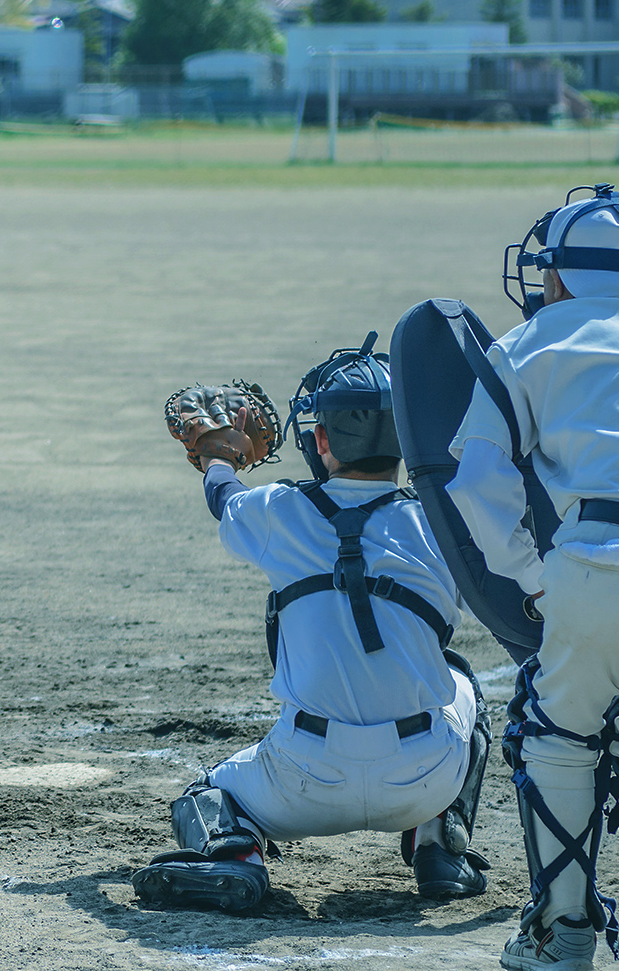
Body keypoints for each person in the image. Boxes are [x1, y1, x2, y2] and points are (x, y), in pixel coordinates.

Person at [134, 338, 491, 914]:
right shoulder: (442, 525)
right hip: (423, 778)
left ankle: (238, 860)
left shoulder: (279, 510)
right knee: (463, 682)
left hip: (304, 782)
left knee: (207, 794)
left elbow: (224, 497)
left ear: (320, 439)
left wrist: (218, 455)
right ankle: (440, 848)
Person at [448, 185, 619, 971]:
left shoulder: (528, 345)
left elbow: (477, 482)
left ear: (558, 276)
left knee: (560, 741)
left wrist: (533, 575)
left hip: (593, 566)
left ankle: (562, 933)